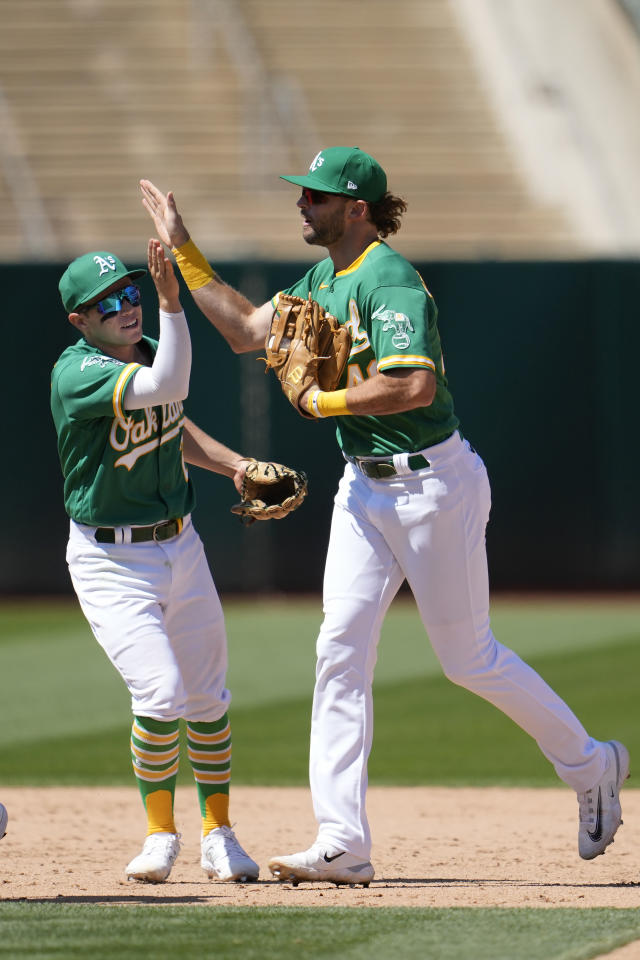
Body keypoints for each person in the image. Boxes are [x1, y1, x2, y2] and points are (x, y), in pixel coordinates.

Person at [140, 146, 629, 887]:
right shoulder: (321, 279)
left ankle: (593, 765)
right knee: (338, 648)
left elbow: (414, 385)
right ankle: (343, 839)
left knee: (469, 659)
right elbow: (244, 329)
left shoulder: (388, 279)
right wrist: (183, 249)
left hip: (434, 485)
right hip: (363, 489)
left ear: (356, 208)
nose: (302, 204)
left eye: (317, 197)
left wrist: (326, 400)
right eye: (303, 194)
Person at [51, 241, 261, 884]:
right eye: (106, 302)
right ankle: (160, 835)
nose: (126, 307)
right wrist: (173, 304)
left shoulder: (140, 355)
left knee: (207, 697)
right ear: (79, 321)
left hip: (182, 543)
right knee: (162, 692)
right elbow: (169, 384)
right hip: (110, 559)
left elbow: (171, 417)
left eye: (133, 293)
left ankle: (218, 832)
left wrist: (237, 467)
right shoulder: (78, 371)